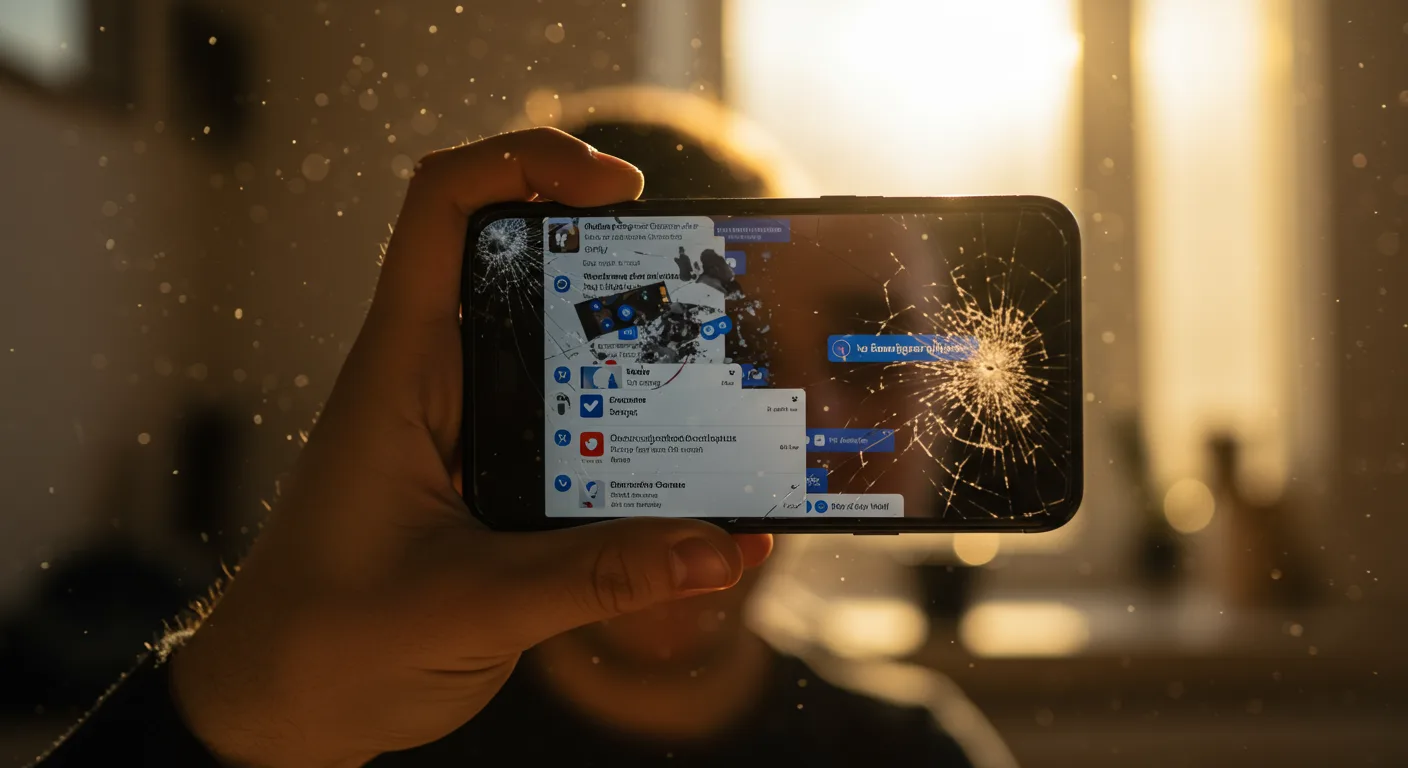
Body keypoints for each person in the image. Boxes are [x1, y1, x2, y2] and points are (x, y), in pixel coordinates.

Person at [33, 91, 975, 766]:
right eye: (709, 353)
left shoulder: (913, 749)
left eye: (871, 363)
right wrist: (231, 712)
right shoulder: (348, 734)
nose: (803, 424)